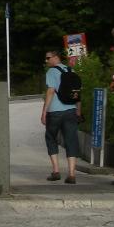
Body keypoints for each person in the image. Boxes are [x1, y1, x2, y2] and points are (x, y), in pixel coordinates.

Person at [41, 49, 80, 184]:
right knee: (71, 140)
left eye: (48, 58)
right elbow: (77, 93)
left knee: (51, 138)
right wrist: (78, 109)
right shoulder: (71, 70)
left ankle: (56, 171)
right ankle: (72, 174)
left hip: (55, 112)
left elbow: (51, 91)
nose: (46, 61)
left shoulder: (51, 72)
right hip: (71, 110)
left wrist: (44, 111)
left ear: (56, 57)